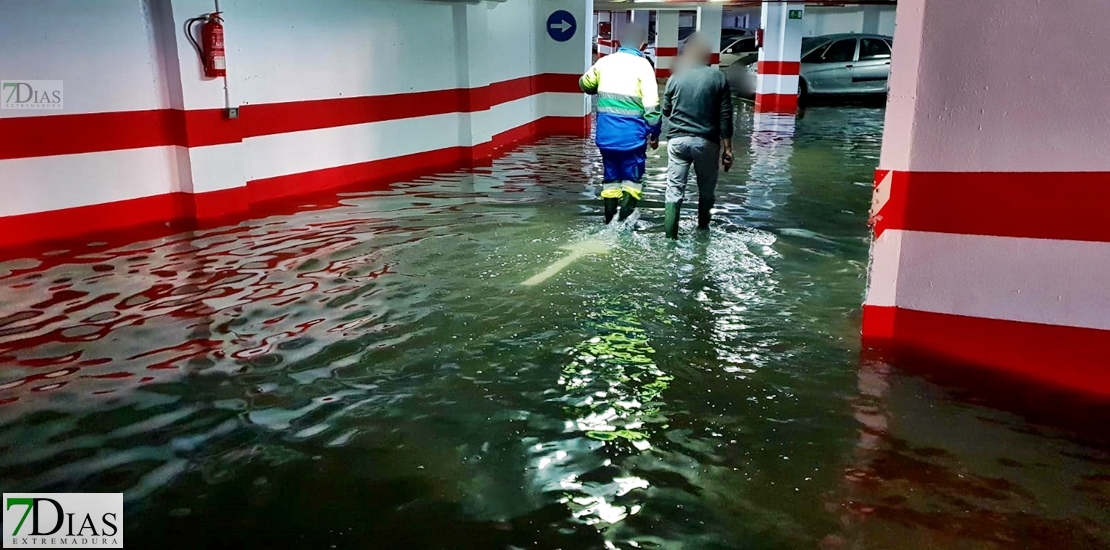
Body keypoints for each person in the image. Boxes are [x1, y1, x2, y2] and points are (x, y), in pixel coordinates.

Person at [579, 25, 662, 224]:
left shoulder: (603, 63)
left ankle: (608, 223)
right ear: (642, 44)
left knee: (610, 180)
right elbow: (652, 108)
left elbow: (584, 84)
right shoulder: (644, 66)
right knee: (632, 182)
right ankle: (622, 227)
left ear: (620, 42)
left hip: (605, 138)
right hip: (631, 139)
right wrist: (654, 133)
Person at [660, 33, 734, 239]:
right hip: (706, 142)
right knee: (706, 191)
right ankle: (702, 232)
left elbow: (665, 111)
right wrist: (728, 149)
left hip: (677, 142)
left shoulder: (675, 77)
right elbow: (725, 116)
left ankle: (670, 239)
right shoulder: (719, 78)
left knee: (674, 191)